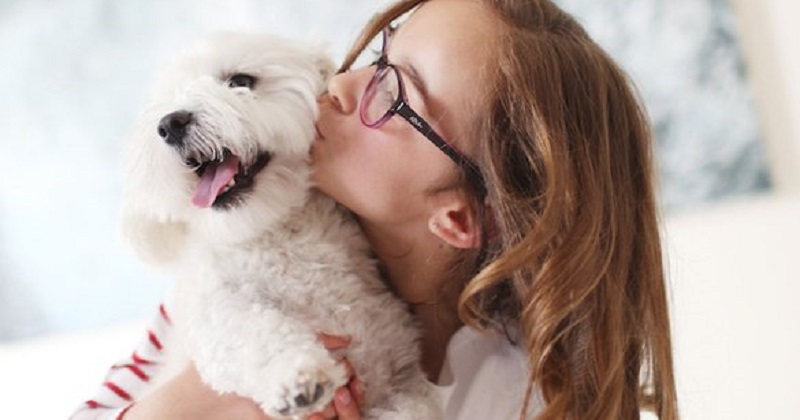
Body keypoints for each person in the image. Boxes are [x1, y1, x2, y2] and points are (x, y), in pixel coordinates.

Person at [71, 0, 679, 419]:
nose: (342, 83)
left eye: (397, 94)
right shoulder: (241, 266)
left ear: (460, 218)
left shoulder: (523, 393)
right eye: (380, 55)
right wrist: (188, 404)